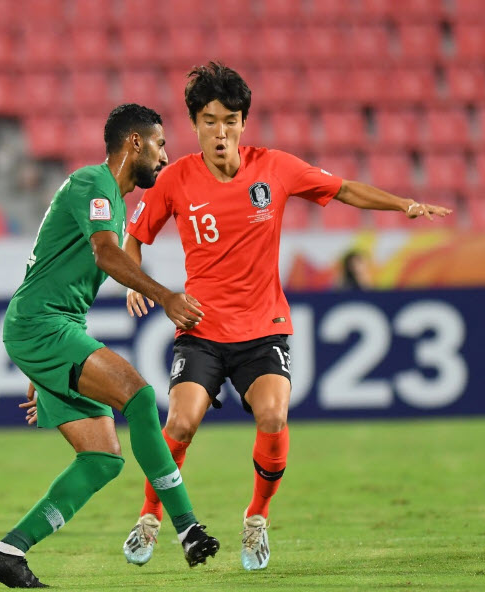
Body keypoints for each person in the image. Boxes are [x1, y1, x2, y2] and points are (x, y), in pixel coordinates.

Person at [120, 62, 452, 571]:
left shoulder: (274, 167)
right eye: (209, 120)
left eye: (230, 120)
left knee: (274, 415)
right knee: (181, 422)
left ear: (243, 123)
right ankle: (148, 517)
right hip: (202, 330)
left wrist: (404, 205)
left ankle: (256, 519)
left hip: (263, 327)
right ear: (195, 124)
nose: (220, 131)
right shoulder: (175, 179)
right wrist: (141, 287)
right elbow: (134, 240)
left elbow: (342, 189)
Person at [0, 104, 219, 589]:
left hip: (47, 330)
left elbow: (50, 270)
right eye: (160, 144)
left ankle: (8, 552)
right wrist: (166, 296)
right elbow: (105, 253)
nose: (165, 155)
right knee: (140, 394)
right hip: (43, 327)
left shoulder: (110, 196)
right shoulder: (94, 184)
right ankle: (187, 526)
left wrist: (40, 369)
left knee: (103, 458)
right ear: (135, 143)